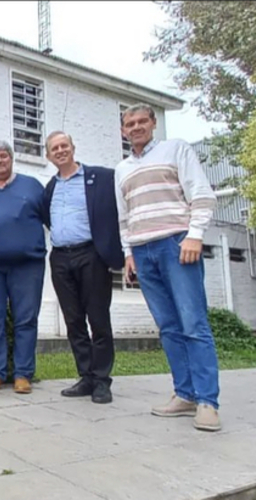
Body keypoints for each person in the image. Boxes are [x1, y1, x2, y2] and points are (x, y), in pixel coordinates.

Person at [116, 104, 220, 431]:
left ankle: (207, 401)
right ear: (123, 130)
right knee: (168, 326)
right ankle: (185, 394)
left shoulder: (175, 149)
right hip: (142, 251)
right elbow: (124, 216)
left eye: (141, 121)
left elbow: (201, 195)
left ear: (153, 123)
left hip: (176, 244)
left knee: (193, 322)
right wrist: (128, 253)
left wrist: (195, 235)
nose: (135, 127)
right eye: (129, 123)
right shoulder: (122, 169)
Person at [42, 131, 123, 404]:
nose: (60, 150)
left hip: (91, 255)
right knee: (73, 321)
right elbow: (46, 217)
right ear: (48, 156)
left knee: (98, 319)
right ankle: (86, 377)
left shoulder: (101, 177)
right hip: (61, 258)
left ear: (73, 148)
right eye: (55, 148)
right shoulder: (50, 187)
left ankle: (102, 381)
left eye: (64, 145)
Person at [0, 140, 46, 394]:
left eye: (4, 156)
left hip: (27, 265)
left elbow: (49, 218)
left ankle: (23, 374)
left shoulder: (33, 186)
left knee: (25, 319)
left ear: (11, 159)